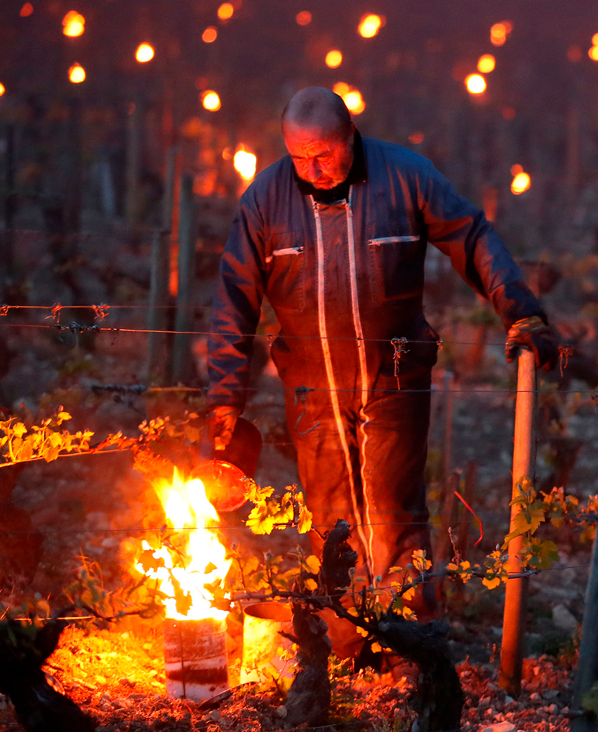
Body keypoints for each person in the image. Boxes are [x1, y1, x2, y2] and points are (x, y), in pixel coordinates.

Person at [205, 87, 558, 655]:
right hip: (311, 384)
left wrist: (520, 308)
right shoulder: (266, 198)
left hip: (394, 375)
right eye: (300, 158)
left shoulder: (405, 177)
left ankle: (411, 645)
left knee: (394, 511)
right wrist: (225, 397)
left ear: (350, 139)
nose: (313, 169)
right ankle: (347, 649)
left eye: (324, 155)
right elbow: (234, 298)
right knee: (331, 519)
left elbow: (470, 237)